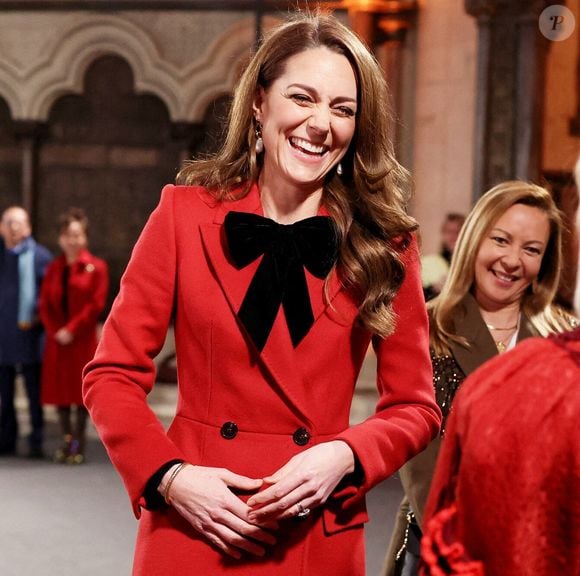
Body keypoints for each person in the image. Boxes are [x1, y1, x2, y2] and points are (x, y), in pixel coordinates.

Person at [83, 13, 441, 576]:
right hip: (198, 522)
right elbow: (111, 375)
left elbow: (416, 407)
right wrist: (171, 478)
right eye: (303, 97)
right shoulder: (182, 216)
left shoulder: (387, 244)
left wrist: (345, 455)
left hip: (315, 531)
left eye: (343, 109)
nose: (320, 123)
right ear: (259, 104)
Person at [382, 180, 578, 576]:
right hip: (441, 545)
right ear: (474, 239)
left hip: (539, 551)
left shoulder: (565, 337)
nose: (512, 260)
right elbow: (423, 469)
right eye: (501, 240)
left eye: (531, 249)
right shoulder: (423, 328)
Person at [39, 208, 108, 464]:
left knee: (80, 395)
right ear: (60, 238)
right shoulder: (54, 268)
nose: (72, 240)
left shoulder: (96, 267)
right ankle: (66, 440)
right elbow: (45, 304)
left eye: (77, 235)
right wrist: (55, 331)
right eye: (68, 235)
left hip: (81, 340)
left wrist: (72, 329)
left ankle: (78, 443)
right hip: (57, 342)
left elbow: (96, 304)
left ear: (85, 238)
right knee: (60, 394)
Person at [0, 205, 52, 458]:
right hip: (3, 336)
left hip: (31, 335)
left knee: (34, 393)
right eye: (9, 222)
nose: (13, 227)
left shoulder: (40, 256)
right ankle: (6, 439)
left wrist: (39, 315)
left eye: (19, 222)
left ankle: (36, 439)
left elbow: (50, 296)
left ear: (28, 227)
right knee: (5, 394)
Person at [421, 213, 465, 301]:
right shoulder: (428, 263)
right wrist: (433, 289)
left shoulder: (473, 264)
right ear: (443, 233)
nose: (453, 237)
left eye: (457, 232)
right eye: (449, 232)